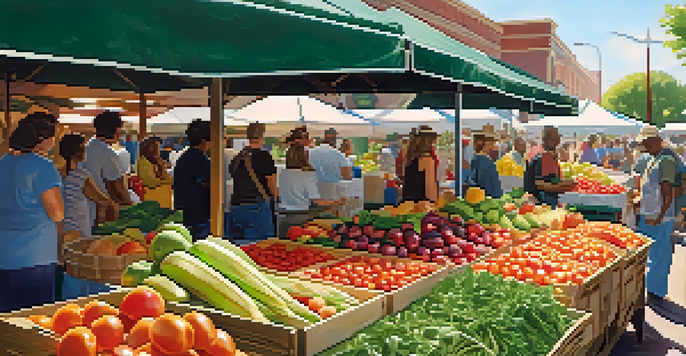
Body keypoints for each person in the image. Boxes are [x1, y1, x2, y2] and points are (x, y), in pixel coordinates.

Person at [0, 112, 63, 312]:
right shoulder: (43, 167)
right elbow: (57, 213)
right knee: (35, 322)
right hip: (36, 256)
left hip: (3, 254)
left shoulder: (2, 162)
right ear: (43, 140)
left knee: (7, 325)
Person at [632, 126, 680, 309]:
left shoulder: (666, 160)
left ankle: (655, 293)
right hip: (650, 213)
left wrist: (660, 215)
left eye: (647, 141)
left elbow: (666, 191)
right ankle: (650, 291)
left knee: (659, 256)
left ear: (655, 140)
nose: (644, 145)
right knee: (650, 254)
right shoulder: (654, 159)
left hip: (660, 216)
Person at [59, 133, 118, 239]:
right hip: (78, 228)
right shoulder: (81, 176)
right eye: (83, 149)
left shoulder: (58, 174)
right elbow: (102, 199)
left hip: (61, 229)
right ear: (77, 152)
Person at [277, 127, 333, 237]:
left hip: (282, 217)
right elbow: (317, 201)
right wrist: (335, 202)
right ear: (305, 157)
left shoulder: (282, 173)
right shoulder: (308, 175)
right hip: (301, 218)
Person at [229, 122, 278, 244]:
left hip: (236, 206)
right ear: (262, 136)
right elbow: (271, 185)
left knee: (240, 247)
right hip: (257, 207)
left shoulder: (237, 158)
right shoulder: (265, 157)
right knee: (260, 247)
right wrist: (277, 198)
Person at [84, 111, 132, 229]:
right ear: (116, 130)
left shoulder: (87, 147)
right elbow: (117, 186)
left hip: (85, 206)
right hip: (104, 210)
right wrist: (130, 206)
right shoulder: (108, 153)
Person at [174, 119, 212, 241]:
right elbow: (210, 181)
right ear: (204, 141)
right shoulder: (200, 159)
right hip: (198, 215)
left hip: (184, 212)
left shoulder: (183, 158)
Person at [525, 126, 575, 208]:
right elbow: (540, 184)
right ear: (545, 140)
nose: (557, 142)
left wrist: (563, 183)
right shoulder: (543, 156)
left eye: (557, 139)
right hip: (543, 202)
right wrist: (562, 187)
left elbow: (549, 179)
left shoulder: (549, 155)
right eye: (553, 140)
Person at [309, 128, 353, 201]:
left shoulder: (311, 153)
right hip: (333, 192)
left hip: (315, 191)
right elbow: (346, 175)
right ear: (332, 137)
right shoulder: (338, 154)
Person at [403, 126, 438, 202]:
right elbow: (430, 192)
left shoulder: (408, 158)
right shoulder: (426, 160)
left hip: (407, 205)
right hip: (421, 207)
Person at [137, 136, 173, 209]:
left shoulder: (158, 161)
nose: (159, 150)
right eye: (157, 147)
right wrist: (166, 182)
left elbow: (167, 177)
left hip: (164, 202)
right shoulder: (143, 162)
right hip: (152, 202)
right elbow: (150, 182)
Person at [468, 124, 503, 198]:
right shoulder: (486, 163)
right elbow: (494, 189)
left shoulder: (474, 159)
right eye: (490, 140)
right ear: (481, 142)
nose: (493, 143)